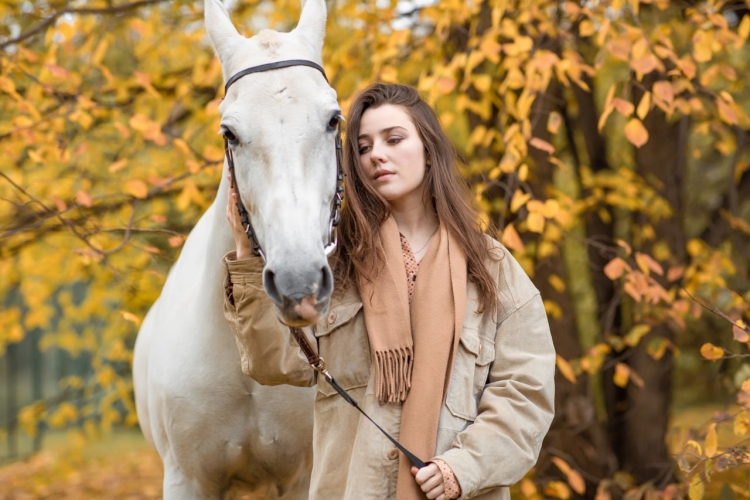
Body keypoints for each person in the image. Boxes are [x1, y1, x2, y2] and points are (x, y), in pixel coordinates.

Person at [222, 83, 555, 500]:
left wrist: (461, 469)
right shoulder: (334, 269)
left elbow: (526, 395)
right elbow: (276, 362)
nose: (376, 154)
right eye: (362, 147)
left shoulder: (493, 268)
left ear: (429, 149)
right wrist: (245, 254)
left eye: (394, 139)